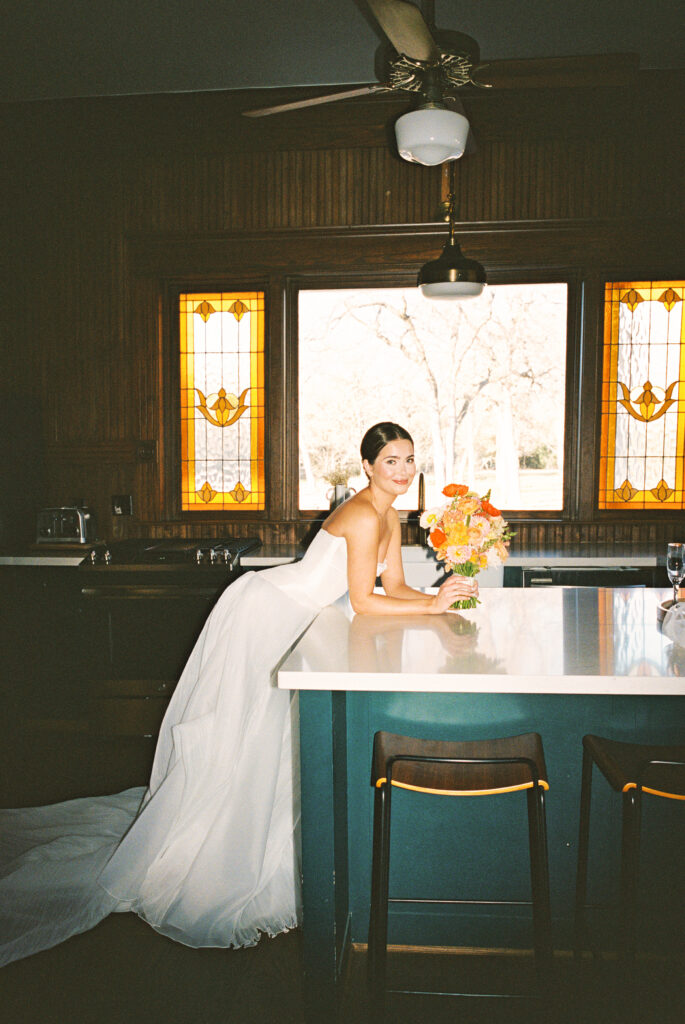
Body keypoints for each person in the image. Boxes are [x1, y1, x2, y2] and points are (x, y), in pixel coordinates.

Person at [0, 422, 477, 965]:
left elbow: (391, 589)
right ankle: (216, 851)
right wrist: (433, 606)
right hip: (270, 614)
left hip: (298, 617)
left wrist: (444, 593)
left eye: (410, 459)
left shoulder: (388, 511)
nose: (404, 470)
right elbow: (366, 604)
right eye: (392, 460)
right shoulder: (367, 514)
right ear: (368, 467)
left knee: (268, 740)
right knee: (246, 735)